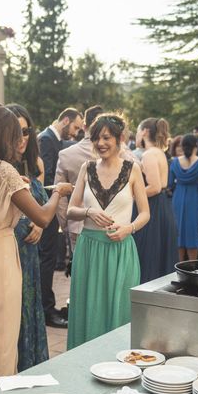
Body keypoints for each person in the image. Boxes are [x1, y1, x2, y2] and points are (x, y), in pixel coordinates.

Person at [0, 102, 73, 382]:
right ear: (1, 136)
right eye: (13, 134)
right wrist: (58, 192)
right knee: (0, 361)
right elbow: (43, 218)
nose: (18, 140)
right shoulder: (3, 170)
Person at [66, 113, 150, 349]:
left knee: (119, 310)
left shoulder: (133, 169)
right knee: (87, 309)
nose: (100, 143)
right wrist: (88, 213)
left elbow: (145, 213)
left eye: (106, 138)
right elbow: (71, 209)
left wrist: (129, 228)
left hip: (120, 250)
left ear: (119, 138)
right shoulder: (87, 168)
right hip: (89, 250)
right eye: (96, 138)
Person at [6, 103, 49, 371]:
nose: (21, 138)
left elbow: (41, 206)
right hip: (7, 249)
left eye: (25, 131)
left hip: (30, 249)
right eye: (15, 132)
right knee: (9, 318)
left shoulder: (35, 164)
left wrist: (41, 226)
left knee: (29, 309)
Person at [37, 108, 83, 328]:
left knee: (48, 258)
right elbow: (46, 177)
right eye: (74, 127)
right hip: (46, 207)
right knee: (46, 259)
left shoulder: (54, 140)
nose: (74, 133)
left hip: (52, 205)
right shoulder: (45, 140)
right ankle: (46, 310)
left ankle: (47, 306)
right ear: (65, 120)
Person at [133, 117, 179, 281]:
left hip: (152, 207)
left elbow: (154, 186)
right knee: (158, 253)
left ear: (144, 131)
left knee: (148, 253)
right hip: (162, 205)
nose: (136, 135)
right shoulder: (159, 152)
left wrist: (131, 196)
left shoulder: (149, 154)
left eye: (138, 131)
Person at [55, 105, 104, 251]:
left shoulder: (66, 154)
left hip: (77, 225)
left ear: (84, 125)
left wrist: (66, 224)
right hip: (109, 223)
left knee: (81, 271)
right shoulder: (116, 152)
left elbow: (59, 194)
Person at [168, 134, 198, 261]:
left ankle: (179, 266)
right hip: (195, 198)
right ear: (196, 146)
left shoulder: (174, 162)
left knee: (178, 231)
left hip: (178, 198)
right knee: (193, 231)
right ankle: (192, 265)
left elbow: (169, 184)